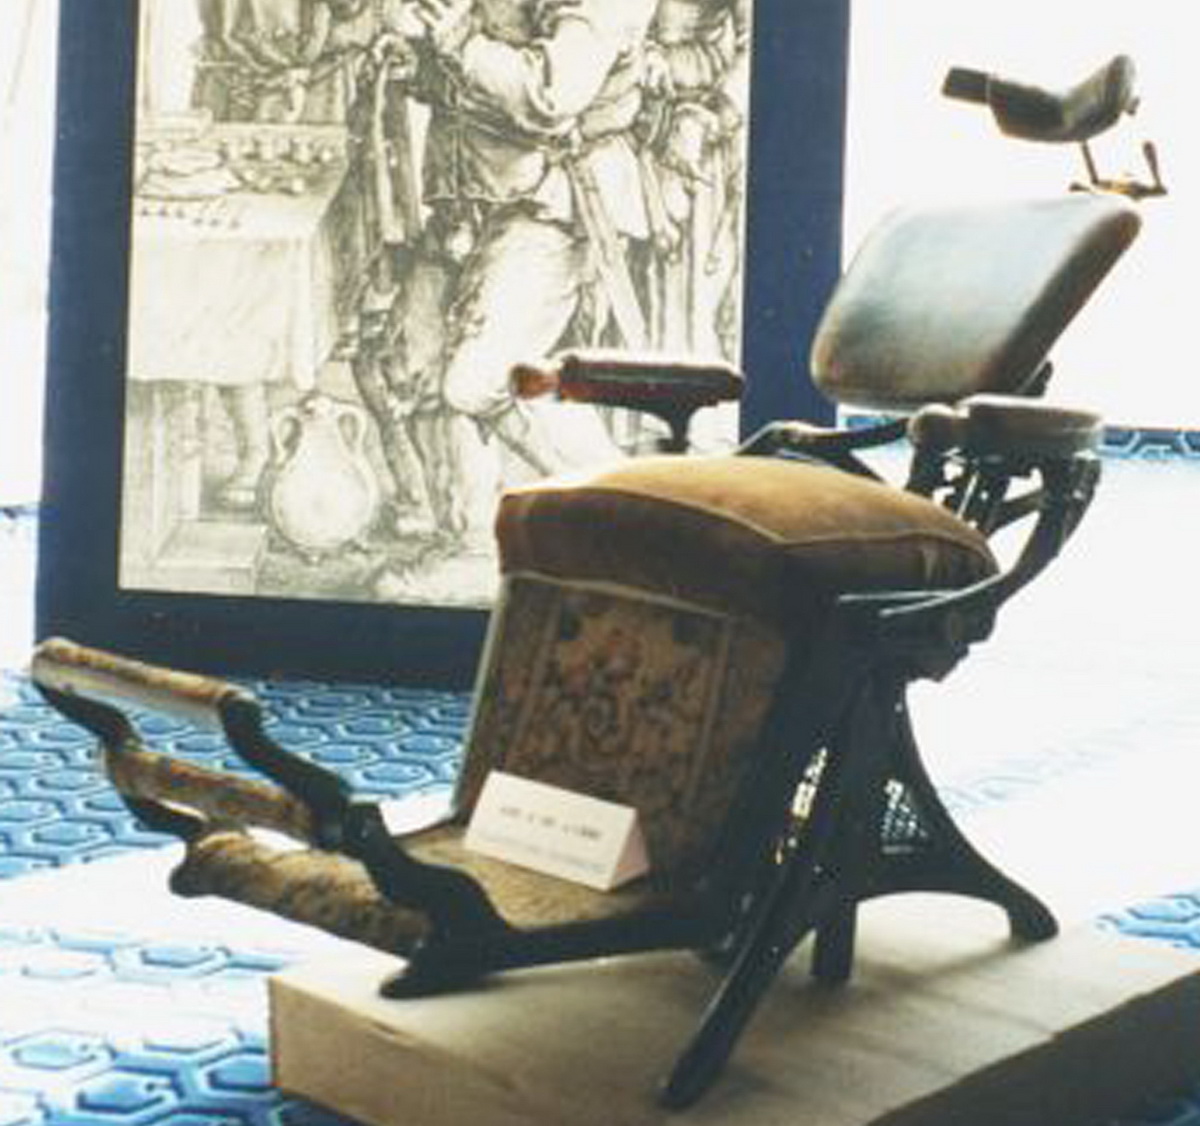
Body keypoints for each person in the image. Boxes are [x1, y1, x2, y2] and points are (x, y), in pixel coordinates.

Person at [360, 0, 661, 593]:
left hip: (554, 205)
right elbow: (475, 79)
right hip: (471, 200)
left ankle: (630, 520)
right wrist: (420, 66)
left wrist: (458, 41)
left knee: (477, 379)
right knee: (412, 365)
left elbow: (552, 93)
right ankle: (472, 542)